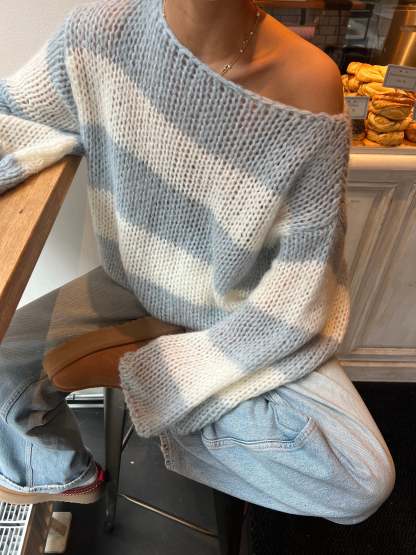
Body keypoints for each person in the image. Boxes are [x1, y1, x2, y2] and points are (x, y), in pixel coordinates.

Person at [0, 0, 395, 524]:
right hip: (131, 287)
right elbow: (14, 117)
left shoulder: (308, 80)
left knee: (359, 479)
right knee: (4, 361)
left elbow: (307, 275)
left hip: (241, 314)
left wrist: (160, 376)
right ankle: (66, 472)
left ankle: (139, 368)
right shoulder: (100, 32)